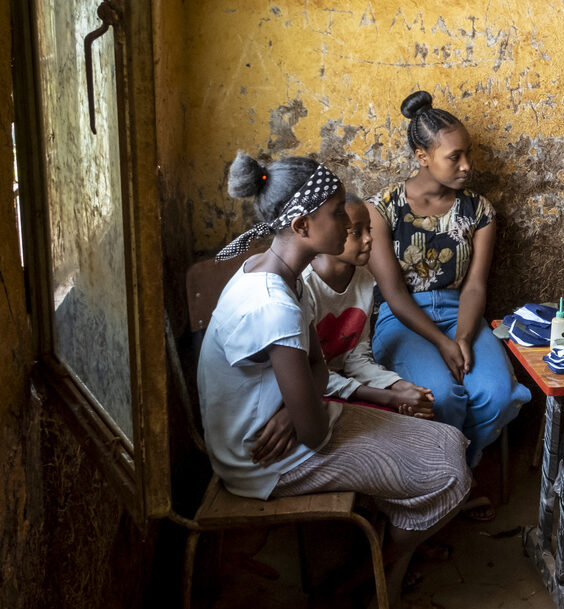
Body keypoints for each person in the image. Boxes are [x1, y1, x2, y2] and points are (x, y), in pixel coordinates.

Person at [198, 152, 472, 606]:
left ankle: (376, 561)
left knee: (447, 441)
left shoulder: (282, 275)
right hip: (263, 458)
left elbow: (319, 369)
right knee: (448, 473)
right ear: (302, 225)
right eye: (336, 213)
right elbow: (314, 431)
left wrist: (296, 401)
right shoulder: (275, 303)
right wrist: (301, 404)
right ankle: (370, 577)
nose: (347, 224)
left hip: (292, 424)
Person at [368, 91, 532, 522]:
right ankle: (442, 486)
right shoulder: (382, 209)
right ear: (422, 156)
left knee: (496, 396)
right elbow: (395, 293)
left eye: (468, 155)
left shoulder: (478, 210)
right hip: (404, 320)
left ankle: (461, 473)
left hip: (462, 312)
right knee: (440, 398)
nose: (466, 166)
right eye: (454, 157)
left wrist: (462, 335)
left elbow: (476, 285)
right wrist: (442, 342)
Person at [301, 193, 435, 418]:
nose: (368, 239)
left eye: (369, 230)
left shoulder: (364, 280)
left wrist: (397, 385)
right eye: (356, 232)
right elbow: (309, 374)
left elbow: (356, 356)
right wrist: (388, 397)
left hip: (341, 383)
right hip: (310, 391)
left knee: (417, 411)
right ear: (330, 231)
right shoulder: (305, 288)